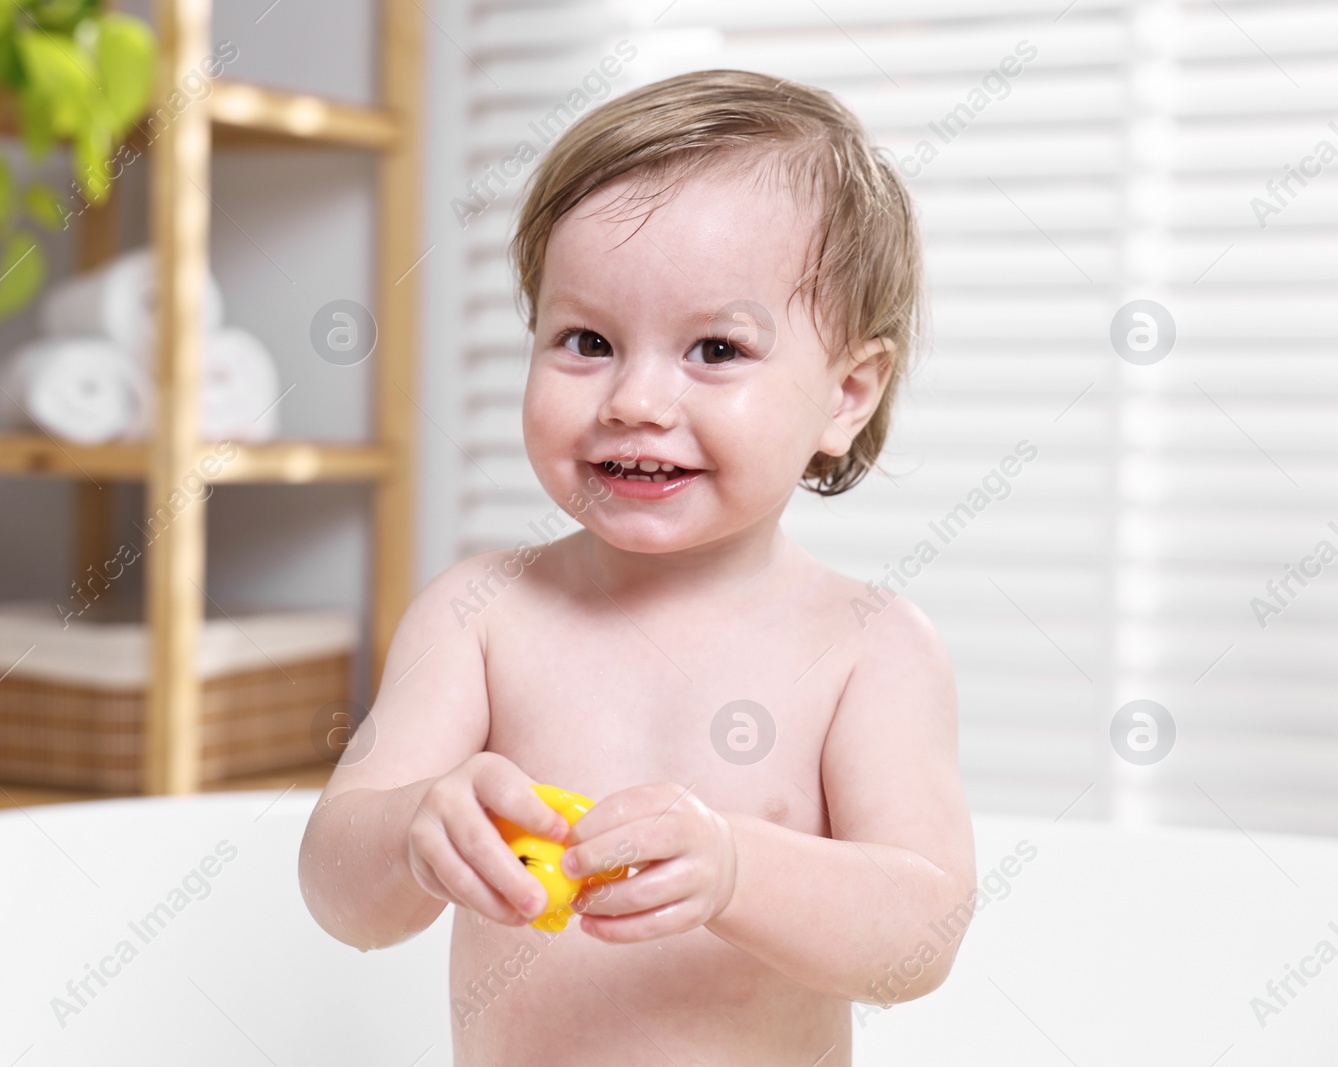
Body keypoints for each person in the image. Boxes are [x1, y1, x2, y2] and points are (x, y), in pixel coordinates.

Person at [299, 68, 976, 1066]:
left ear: (846, 394)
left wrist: (741, 868)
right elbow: (337, 892)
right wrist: (411, 830)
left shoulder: (866, 648)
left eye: (714, 347)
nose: (637, 399)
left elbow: (919, 936)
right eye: (586, 340)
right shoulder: (479, 617)